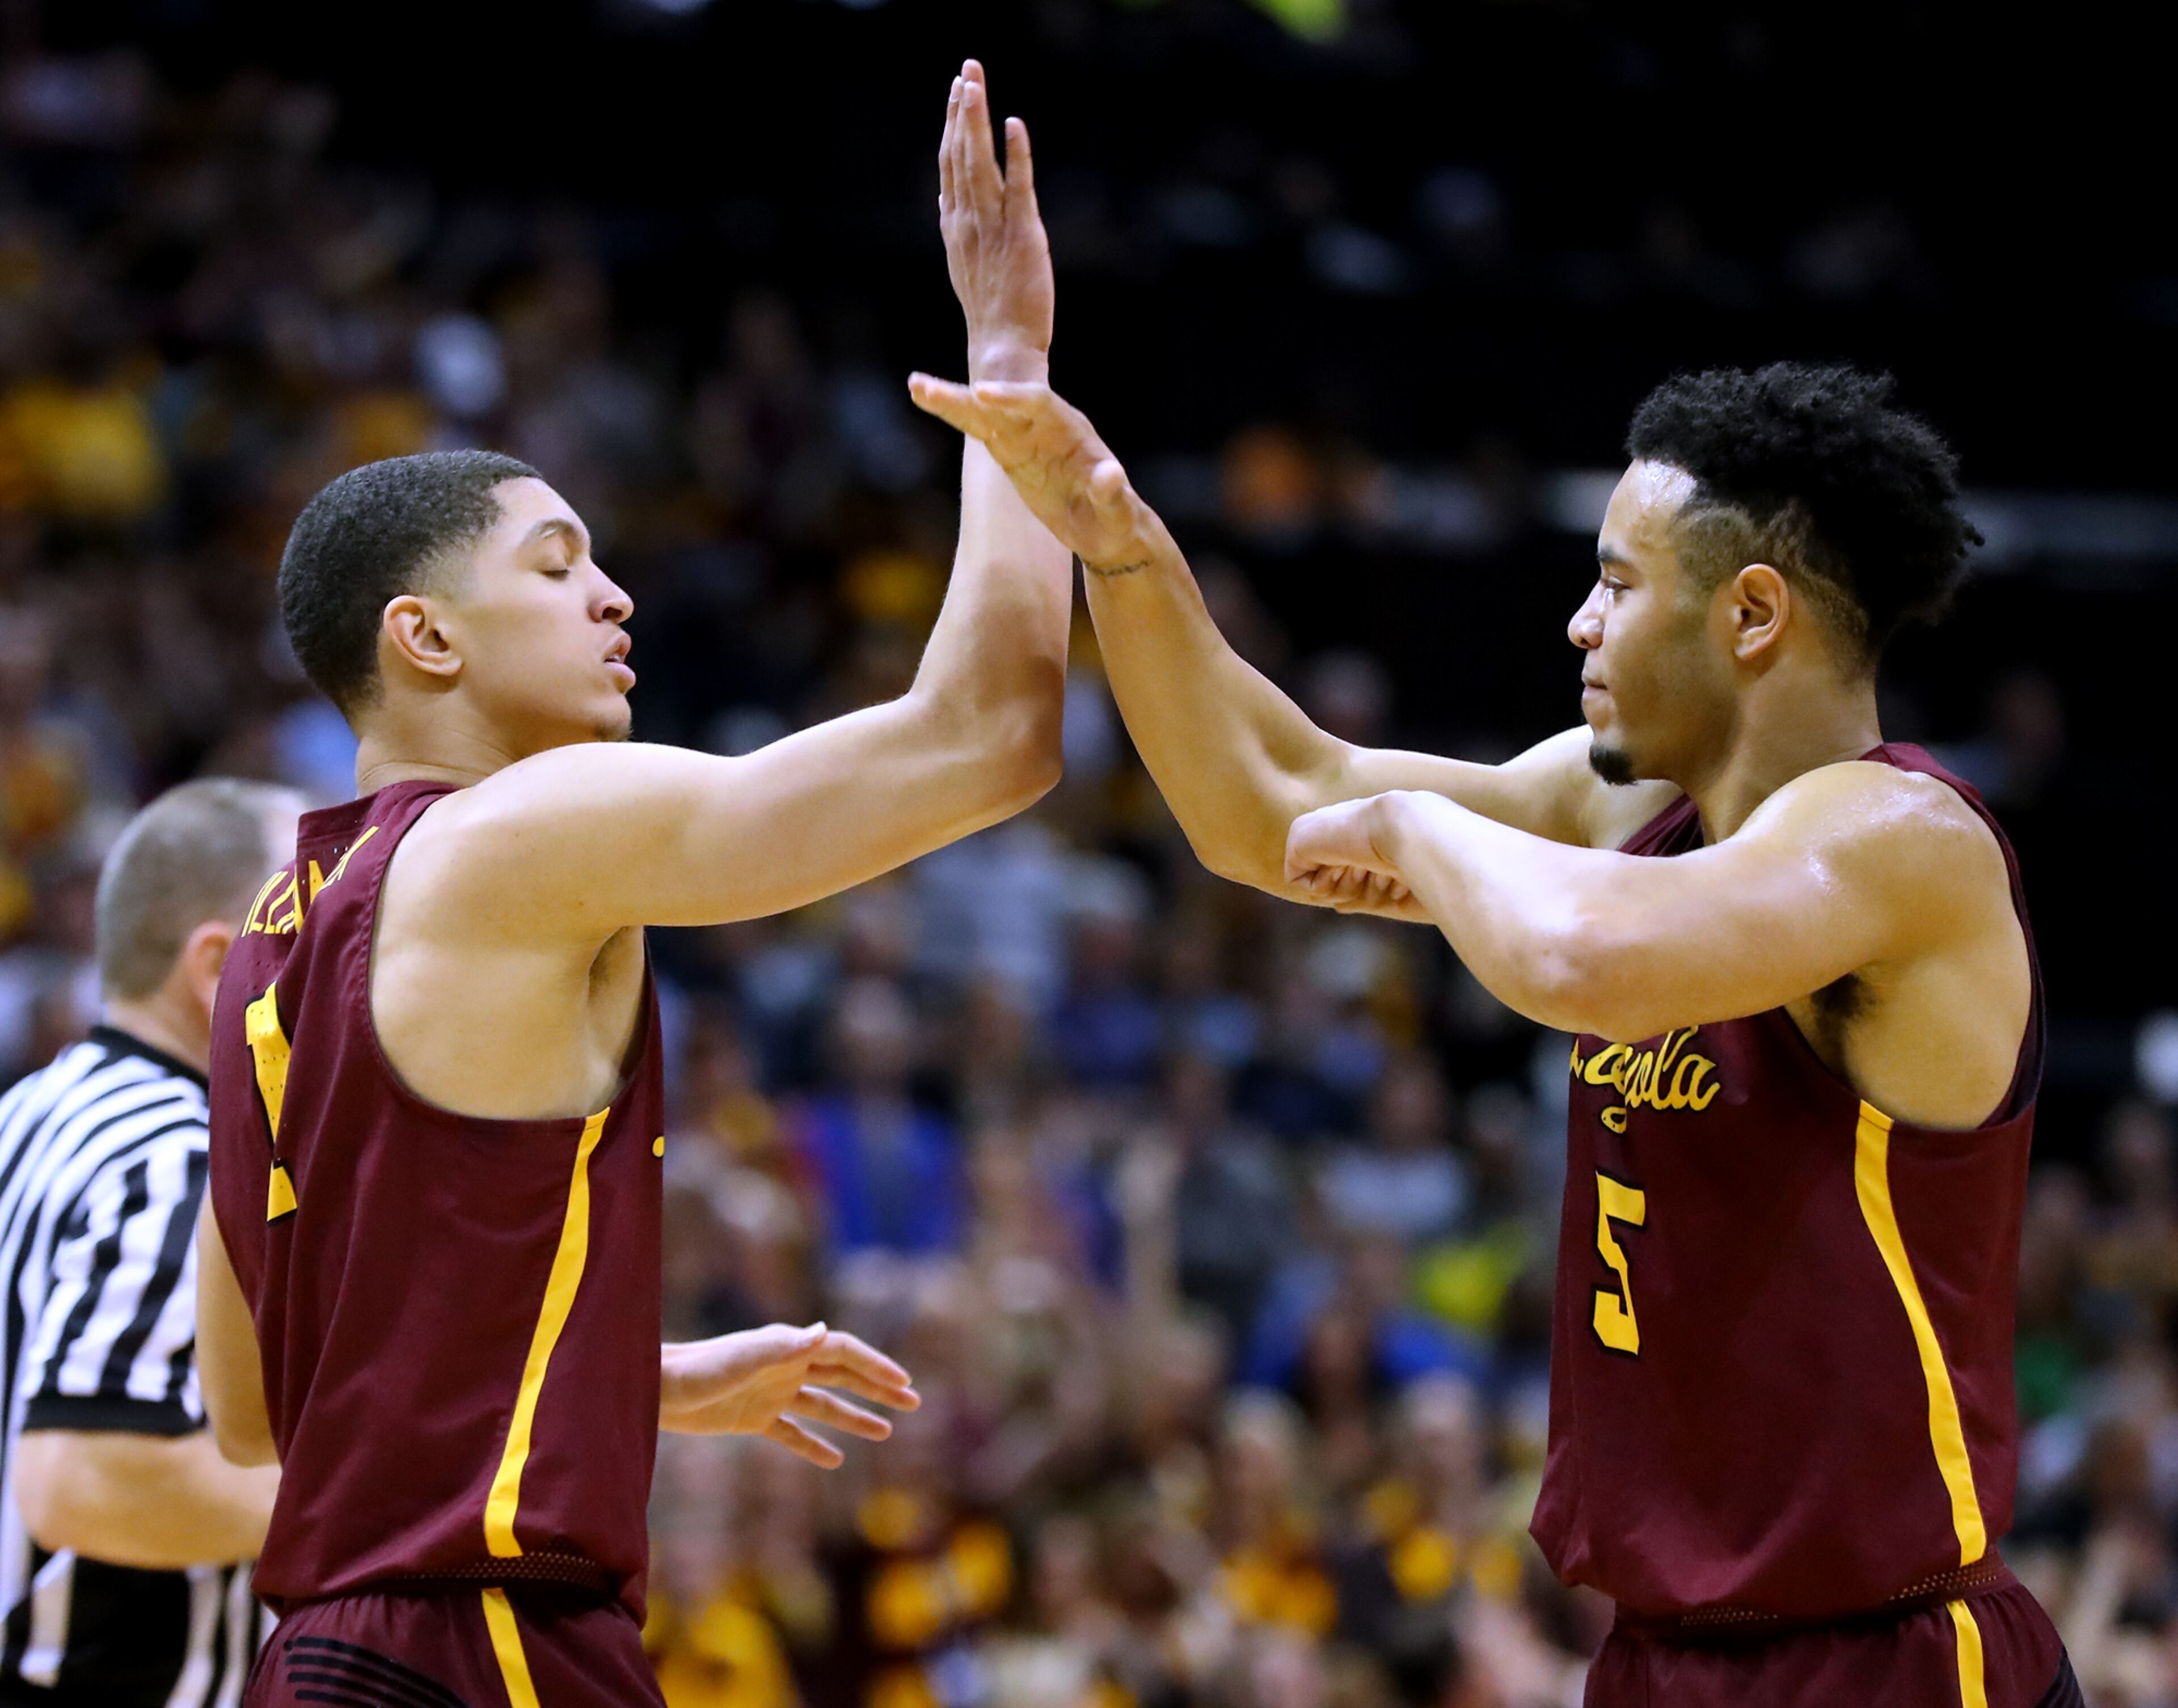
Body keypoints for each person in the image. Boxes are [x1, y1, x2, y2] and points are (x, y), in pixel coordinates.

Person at [911, 337, 2081, 1698]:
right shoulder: (1631, 814)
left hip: (1886, 1658)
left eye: (1617, 583)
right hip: (1663, 1652)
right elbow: (1268, 799)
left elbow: (1576, 958)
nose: (1580, 623)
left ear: (1753, 615)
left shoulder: (1904, 839)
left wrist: (1417, 828)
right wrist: (1112, 535)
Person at [197, 62, 1068, 1708]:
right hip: (490, 1642)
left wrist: (629, 1376)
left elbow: (261, 1412)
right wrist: (1009, 361)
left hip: (322, 1656)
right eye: (557, 561)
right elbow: (994, 739)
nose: (615, 597)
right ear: (425, 636)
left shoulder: (260, 945)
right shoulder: (520, 837)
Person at [1, 778, 299, 1707]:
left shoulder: (25, 1115)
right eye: (327, 928)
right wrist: (401, 1509)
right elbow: (89, 1474)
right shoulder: (179, 1157)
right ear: (221, 968)